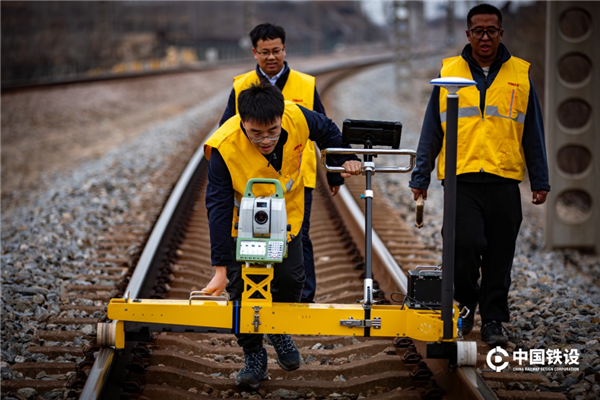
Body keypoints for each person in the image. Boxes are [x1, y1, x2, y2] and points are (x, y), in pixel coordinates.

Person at [409, 3, 550, 347]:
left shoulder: (520, 74)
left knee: (501, 255)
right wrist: (420, 176)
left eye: (491, 31)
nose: (485, 37)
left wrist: (540, 178)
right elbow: (432, 128)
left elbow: (533, 131)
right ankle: (466, 303)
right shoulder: (449, 72)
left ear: (501, 33)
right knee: (463, 245)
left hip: (504, 178)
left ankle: (494, 321)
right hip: (462, 179)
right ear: (468, 33)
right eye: (478, 31)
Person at [204, 83, 361, 390]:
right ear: (241, 122)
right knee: (241, 292)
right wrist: (221, 268)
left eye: (272, 132)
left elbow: (328, 131)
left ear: (280, 117)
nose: (266, 140)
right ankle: (254, 355)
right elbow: (218, 207)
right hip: (242, 225)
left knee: (292, 279)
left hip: (287, 218)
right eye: (256, 133)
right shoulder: (224, 146)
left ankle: (277, 329)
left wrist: (345, 158)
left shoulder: (298, 117)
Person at [220, 23, 330, 305]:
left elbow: (322, 126)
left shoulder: (305, 84)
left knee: (297, 236)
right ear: (255, 53)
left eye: (277, 51)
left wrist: (337, 173)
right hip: (251, 178)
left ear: (285, 49)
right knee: (253, 236)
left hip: (297, 174)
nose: (272, 57)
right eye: (265, 52)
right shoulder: (241, 86)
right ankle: (259, 296)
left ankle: (301, 298)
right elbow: (226, 130)